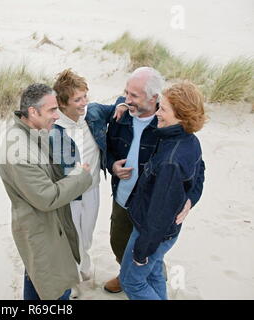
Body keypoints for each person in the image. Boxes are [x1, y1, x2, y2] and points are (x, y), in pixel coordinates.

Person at [103, 67, 205, 293]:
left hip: (151, 210)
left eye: (134, 96)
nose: (127, 99)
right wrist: (112, 165)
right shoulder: (120, 115)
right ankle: (126, 272)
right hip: (123, 197)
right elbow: (108, 148)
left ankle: (134, 276)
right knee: (120, 243)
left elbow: (197, 170)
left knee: (148, 256)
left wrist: (190, 200)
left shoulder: (167, 129)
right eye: (126, 93)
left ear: (154, 98)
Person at [0, 83, 92, 300]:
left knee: (38, 278)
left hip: (48, 226)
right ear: (32, 111)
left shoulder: (32, 131)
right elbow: (47, 197)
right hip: (41, 230)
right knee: (55, 288)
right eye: (52, 110)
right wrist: (81, 176)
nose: (57, 116)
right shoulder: (19, 151)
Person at [51, 69, 126, 298]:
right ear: (63, 103)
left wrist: (121, 104)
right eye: (77, 99)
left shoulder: (93, 113)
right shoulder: (52, 127)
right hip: (68, 194)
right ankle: (71, 277)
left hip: (92, 188)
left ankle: (83, 266)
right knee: (70, 238)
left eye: (85, 96)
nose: (84, 102)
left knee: (87, 234)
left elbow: (119, 104)